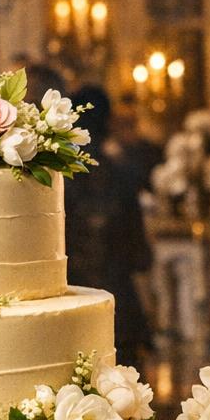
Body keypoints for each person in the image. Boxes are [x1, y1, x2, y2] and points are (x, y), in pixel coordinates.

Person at [64, 84, 153, 366]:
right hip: (119, 308)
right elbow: (142, 257)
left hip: (72, 307)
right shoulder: (122, 174)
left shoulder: (57, 182)